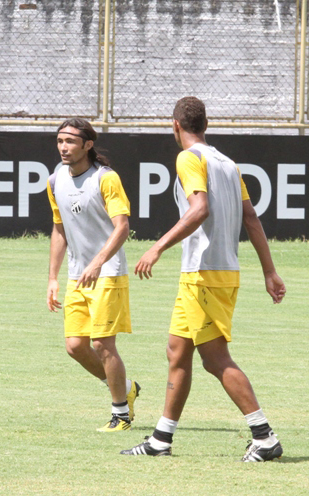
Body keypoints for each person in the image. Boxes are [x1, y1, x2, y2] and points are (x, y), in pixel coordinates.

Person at [121, 97, 286, 461]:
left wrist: (157, 247)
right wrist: (269, 271)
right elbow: (251, 218)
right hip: (216, 271)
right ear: (206, 125)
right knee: (177, 351)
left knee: (215, 359)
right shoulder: (227, 163)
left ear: (175, 125)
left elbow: (199, 210)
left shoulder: (188, 158)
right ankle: (161, 440)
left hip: (204, 272)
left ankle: (264, 437)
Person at [47, 118, 140, 432]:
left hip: (108, 273)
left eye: (71, 141)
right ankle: (125, 387)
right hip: (77, 276)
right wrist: (53, 278)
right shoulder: (55, 180)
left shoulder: (106, 178)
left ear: (88, 145)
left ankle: (121, 414)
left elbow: (122, 227)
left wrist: (99, 262)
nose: (64, 147)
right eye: (60, 141)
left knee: (102, 344)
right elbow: (59, 229)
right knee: (75, 346)